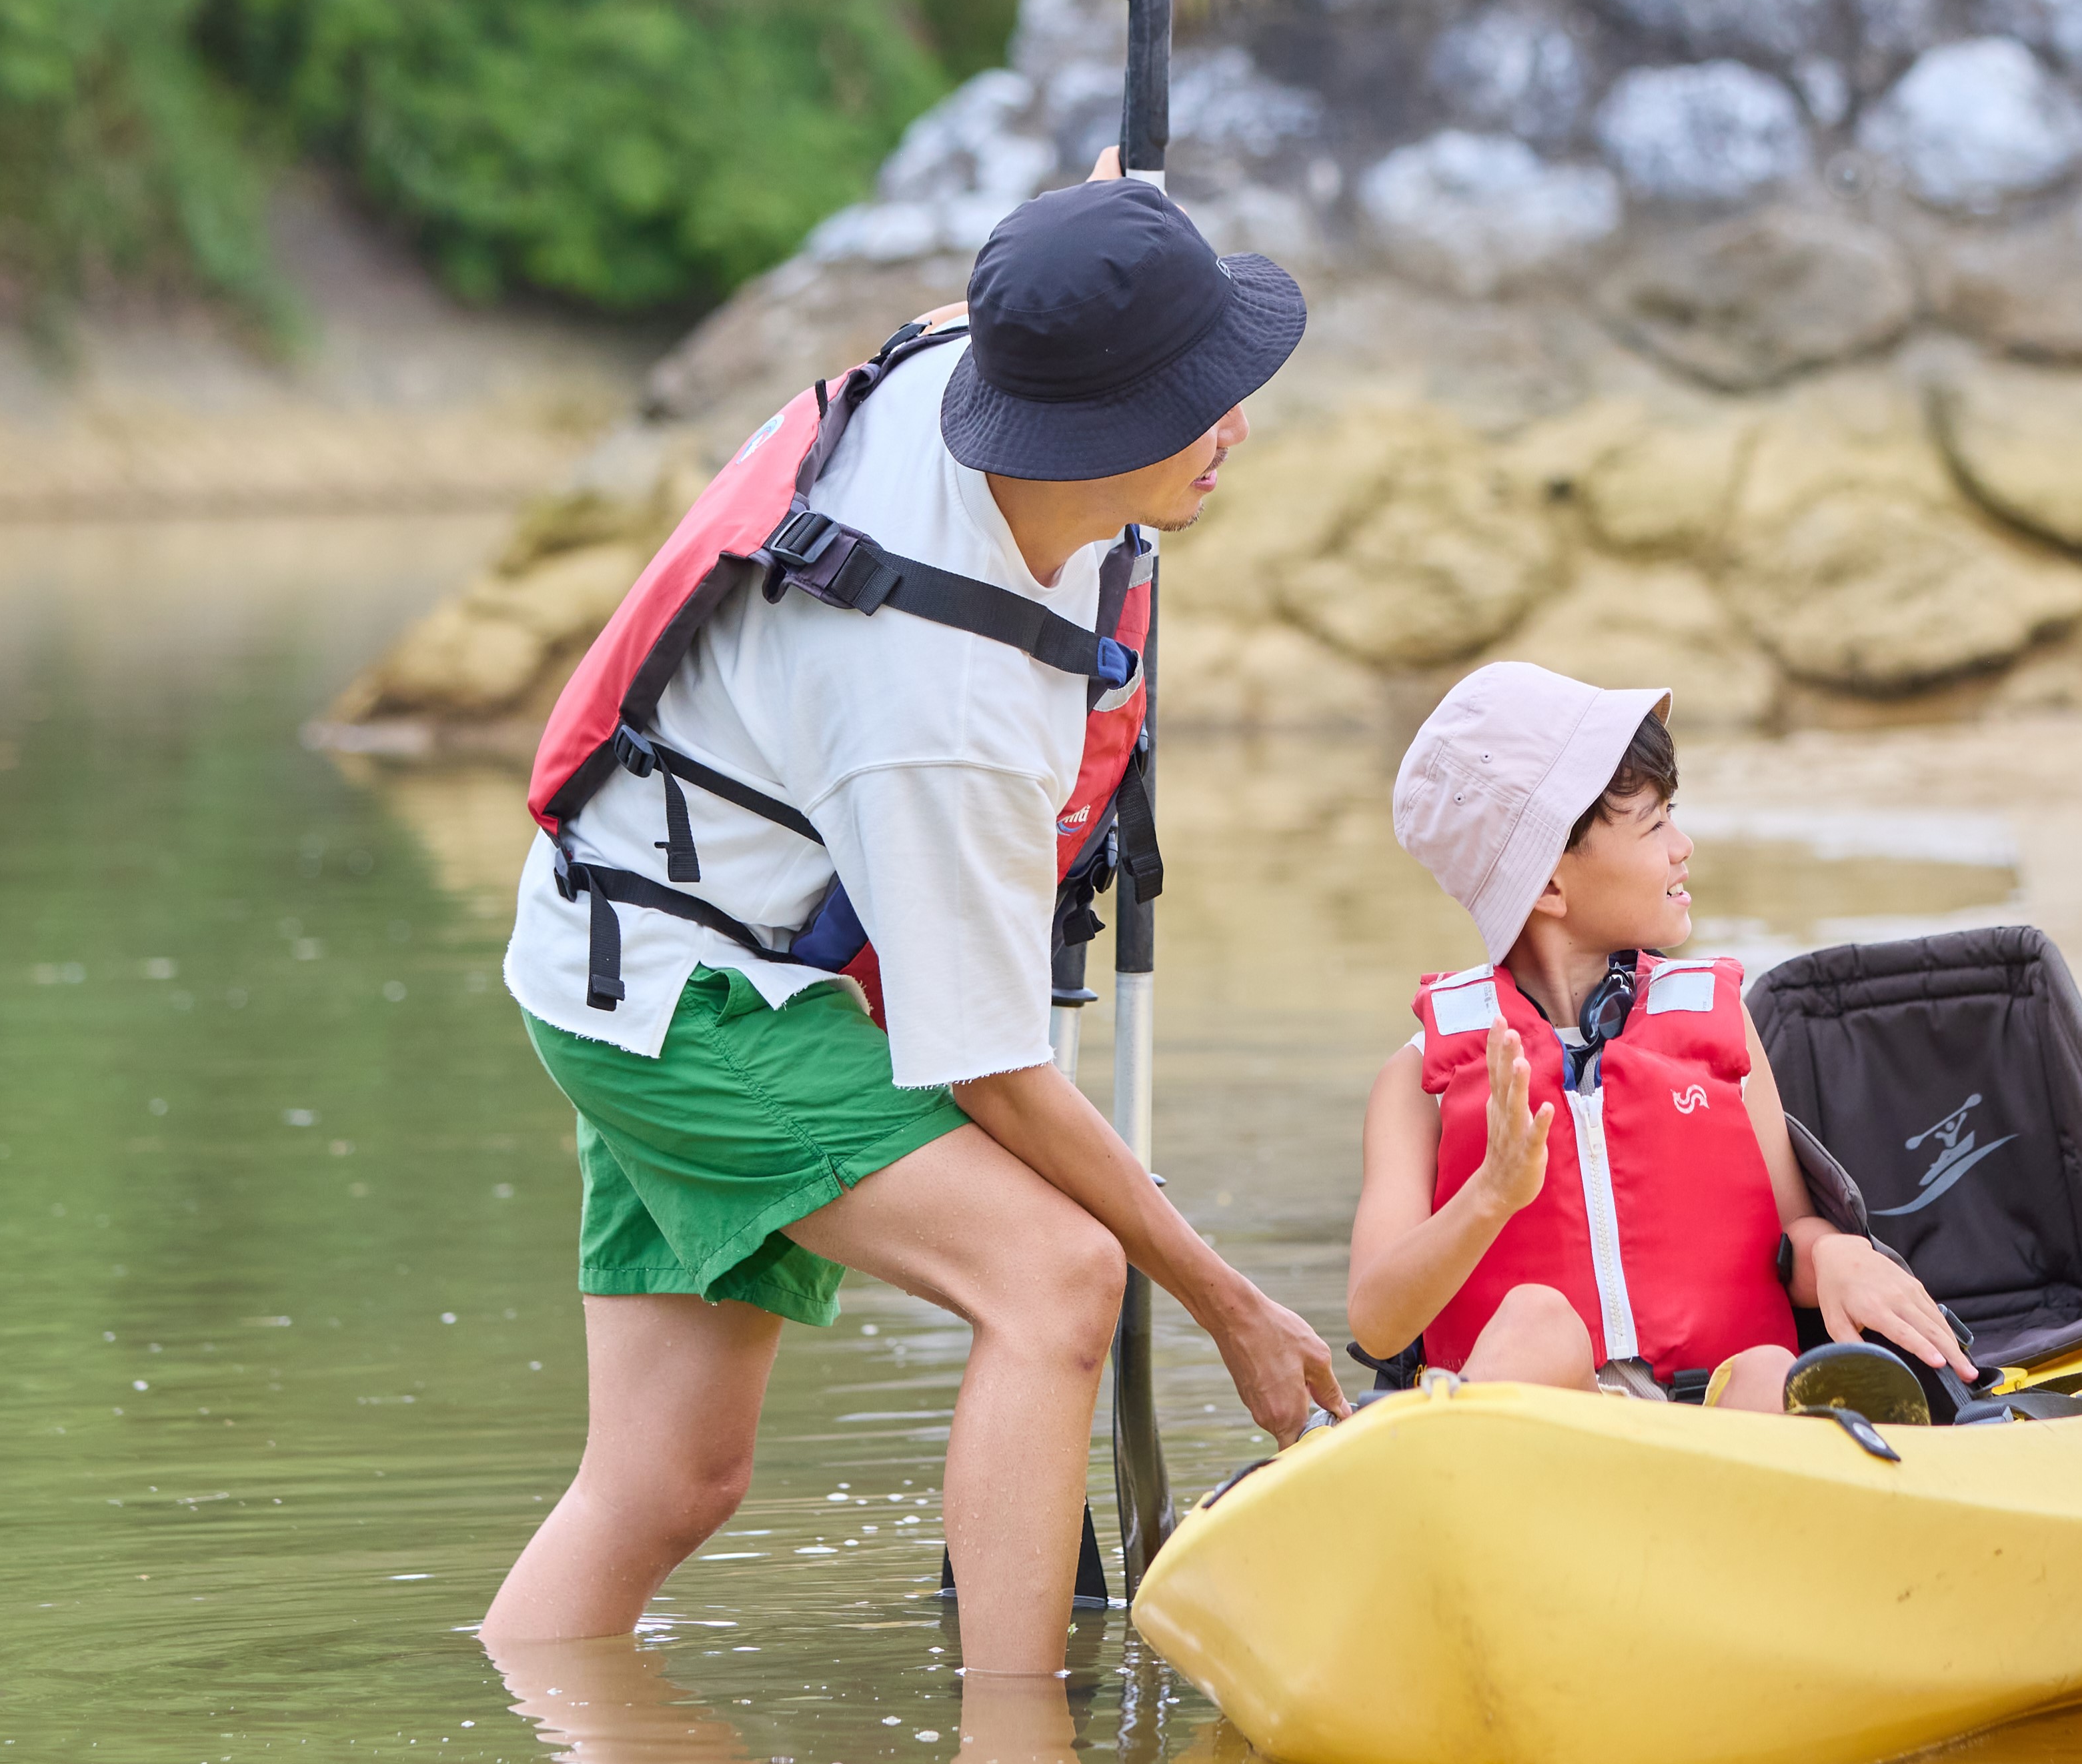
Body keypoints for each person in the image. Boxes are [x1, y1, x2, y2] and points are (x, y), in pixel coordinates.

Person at [477, 177, 1347, 1678]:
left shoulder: (980, 358)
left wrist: (1120, 225)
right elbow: (992, 1069)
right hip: (688, 1004)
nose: (1239, 433)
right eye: (1204, 402)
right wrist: (1235, 1309)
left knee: (669, 1481)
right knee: (1058, 1275)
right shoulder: (929, 716)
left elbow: (1041, 273)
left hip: (610, 935)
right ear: (1097, 433)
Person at [1344, 662, 1969, 1407]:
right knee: (1539, 1320)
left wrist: (1835, 1256)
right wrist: (1490, 1194)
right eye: (1654, 823)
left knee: (1772, 1366)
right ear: (1547, 886)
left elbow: (1790, 1234)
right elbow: (1377, 1323)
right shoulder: (1418, 1084)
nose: (1683, 845)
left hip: (1708, 1419)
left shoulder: (1719, 1024)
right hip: (1550, 1433)